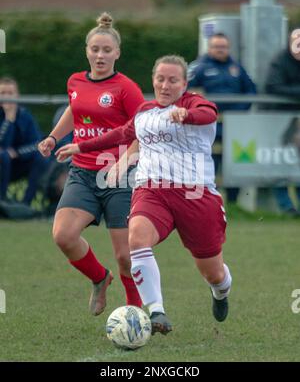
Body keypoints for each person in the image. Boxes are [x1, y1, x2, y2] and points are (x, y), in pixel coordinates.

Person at [56, 55, 232, 335]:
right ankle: (156, 311)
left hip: (195, 196)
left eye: (173, 80)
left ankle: (220, 291)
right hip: (152, 191)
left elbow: (208, 115)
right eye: (160, 79)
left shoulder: (196, 103)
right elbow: (119, 134)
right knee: (136, 238)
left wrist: (186, 115)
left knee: (213, 272)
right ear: (153, 80)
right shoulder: (145, 113)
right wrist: (79, 147)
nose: (165, 85)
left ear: (184, 83)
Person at [38, 12, 144, 316]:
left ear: (117, 54)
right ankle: (100, 278)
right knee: (64, 236)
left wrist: (124, 164)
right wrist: (53, 137)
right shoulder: (75, 81)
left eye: (106, 50)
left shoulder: (126, 88)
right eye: (95, 49)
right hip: (82, 172)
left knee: (125, 256)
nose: (100, 55)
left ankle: (134, 311)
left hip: (118, 177)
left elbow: (142, 130)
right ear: (87, 51)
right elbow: (74, 110)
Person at [188, 33, 256, 203]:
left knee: (234, 164)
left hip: (233, 127)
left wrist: (237, 112)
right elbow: (185, 92)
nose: (220, 50)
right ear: (209, 48)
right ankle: (209, 202)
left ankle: (233, 203)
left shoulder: (237, 68)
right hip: (207, 127)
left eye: (223, 47)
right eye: (217, 47)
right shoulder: (198, 68)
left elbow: (251, 92)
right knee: (209, 165)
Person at [265, 29, 300, 216]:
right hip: (279, 123)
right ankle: (287, 207)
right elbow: (272, 86)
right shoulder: (280, 60)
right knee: (279, 164)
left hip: (297, 122)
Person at [0, 77, 49, 205]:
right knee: (3, 156)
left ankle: (25, 204)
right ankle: (2, 201)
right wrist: (9, 120)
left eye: (10, 93)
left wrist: (17, 153)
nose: (7, 97)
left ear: (17, 95)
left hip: (18, 163)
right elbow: (2, 144)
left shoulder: (25, 115)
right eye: (3, 93)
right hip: (1, 163)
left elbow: (37, 144)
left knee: (40, 157)